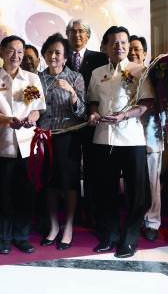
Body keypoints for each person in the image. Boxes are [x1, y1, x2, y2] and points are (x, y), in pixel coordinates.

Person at [87, 26, 153, 258]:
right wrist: (94, 114)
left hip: (132, 138)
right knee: (106, 190)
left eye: (123, 42)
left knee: (137, 193)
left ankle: (130, 237)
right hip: (104, 138)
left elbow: (146, 104)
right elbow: (93, 101)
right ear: (105, 47)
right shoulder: (97, 73)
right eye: (114, 43)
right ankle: (110, 235)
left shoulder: (140, 70)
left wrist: (124, 115)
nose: (120, 46)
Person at [0, 35, 45, 255]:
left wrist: (33, 115)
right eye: (11, 51)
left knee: (25, 193)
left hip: (27, 144)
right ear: (2, 52)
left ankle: (21, 236)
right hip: (1, 143)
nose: (16, 56)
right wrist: (6, 120)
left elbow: (38, 107)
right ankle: (3, 236)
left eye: (20, 51)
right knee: (3, 194)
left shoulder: (31, 78)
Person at [37, 33, 86, 250]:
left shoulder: (76, 77)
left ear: (66, 57)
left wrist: (73, 95)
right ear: (44, 55)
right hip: (44, 136)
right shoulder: (37, 79)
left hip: (69, 135)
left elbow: (83, 112)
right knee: (49, 182)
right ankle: (54, 226)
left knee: (69, 184)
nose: (53, 56)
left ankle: (68, 226)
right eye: (49, 52)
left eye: (58, 53)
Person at [65, 19, 108, 229]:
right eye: (72, 32)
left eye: (81, 31)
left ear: (88, 35)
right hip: (68, 123)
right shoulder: (59, 56)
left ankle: (92, 210)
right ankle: (72, 213)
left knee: (94, 168)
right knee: (70, 167)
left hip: (93, 122)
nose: (77, 35)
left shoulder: (100, 58)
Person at [128, 35, 164, 241]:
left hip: (150, 133)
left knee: (152, 181)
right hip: (130, 135)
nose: (133, 52)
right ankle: (136, 217)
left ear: (144, 53)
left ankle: (152, 221)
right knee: (135, 182)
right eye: (130, 49)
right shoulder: (124, 73)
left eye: (137, 49)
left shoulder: (154, 74)